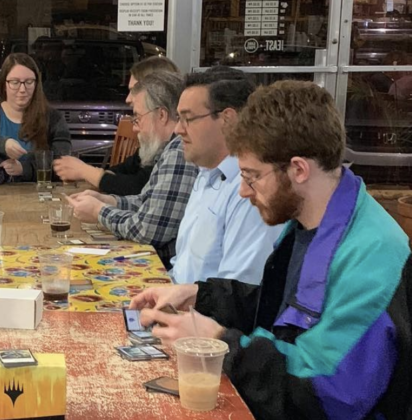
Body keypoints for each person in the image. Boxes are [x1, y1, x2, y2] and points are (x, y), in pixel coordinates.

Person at [102, 81, 412, 420]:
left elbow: (325, 397)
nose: (243, 191)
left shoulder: (372, 257)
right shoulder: (318, 219)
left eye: (251, 176)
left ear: (298, 169)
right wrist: (200, 293)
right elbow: (278, 310)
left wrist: (220, 345)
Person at [164, 67, 283, 284]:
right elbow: (184, 265)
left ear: (227, 119)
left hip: (201, 314)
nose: (178, 130)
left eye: (188, 119)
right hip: (182, 302)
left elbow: (238, 294)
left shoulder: (252, 191)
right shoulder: (206, 172)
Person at [66, 71, 196, 266]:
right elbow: (147, 203)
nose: (135, 128)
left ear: (161, 115)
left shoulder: (179, 151)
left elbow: (148, 231)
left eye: (137, 117)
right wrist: (109, 200)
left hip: (164, 269)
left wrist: (99, 211)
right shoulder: (169, 148)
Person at [54, 56, 182, 196]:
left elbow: (139, 186)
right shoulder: (156, 139)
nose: (127, 98)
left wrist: (85, 171)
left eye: (135, 89)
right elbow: (125, 170)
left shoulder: (178, 147)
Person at [0, 52, 71, 183]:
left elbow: (64, 165)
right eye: (15, 82)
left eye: (29, 82)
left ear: (36, 84)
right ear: (4, 85)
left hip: (38, 197)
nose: (22, 89)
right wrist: (0, 145)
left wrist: (24, 169)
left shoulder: (54, 119)